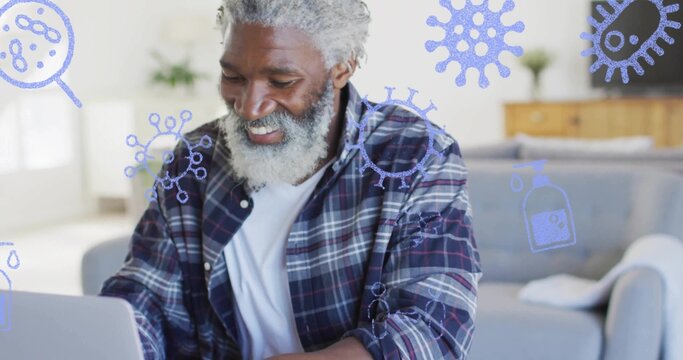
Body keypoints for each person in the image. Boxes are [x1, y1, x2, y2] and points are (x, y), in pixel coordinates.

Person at [101, 0, 481, 359]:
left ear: (341, 68)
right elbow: (145, 294)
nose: (249, 107)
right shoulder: (195, 160)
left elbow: (432, 327)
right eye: (233, 76)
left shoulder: (415, 155)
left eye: (281, 81)